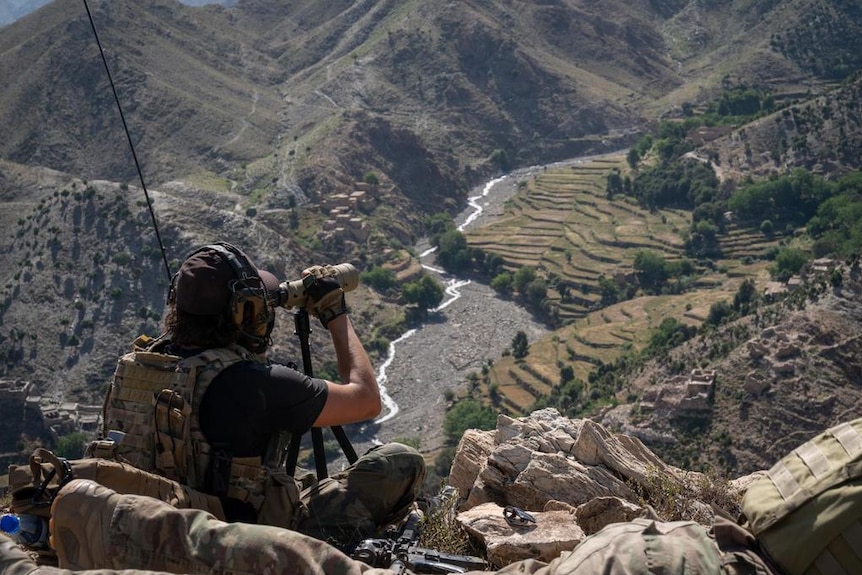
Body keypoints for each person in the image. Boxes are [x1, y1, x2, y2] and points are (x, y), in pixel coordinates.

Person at [98, 241, 426, 552]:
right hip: (238, 543)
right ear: (245, 313)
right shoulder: (255, 384)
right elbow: (367, 399)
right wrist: (336, 316)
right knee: (400, 462)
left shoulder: (138, 366)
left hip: (147, 531)